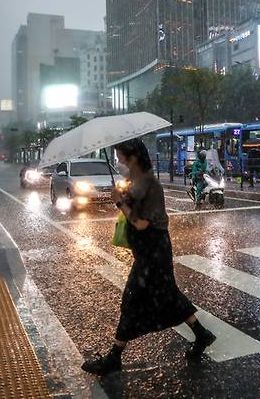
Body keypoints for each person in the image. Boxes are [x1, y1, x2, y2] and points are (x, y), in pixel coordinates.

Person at [81, 139, 216, 376]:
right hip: (149, 251)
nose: (119, 160)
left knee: (132, 299)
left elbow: (141, 223)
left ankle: (114, 357)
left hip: (153, 252)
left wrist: (120, 202)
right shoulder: (138, 180)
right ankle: (202, 334)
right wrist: (123, 196)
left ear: (132, 157)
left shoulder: (149, 183)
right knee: (169, 295)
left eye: (121, 155)